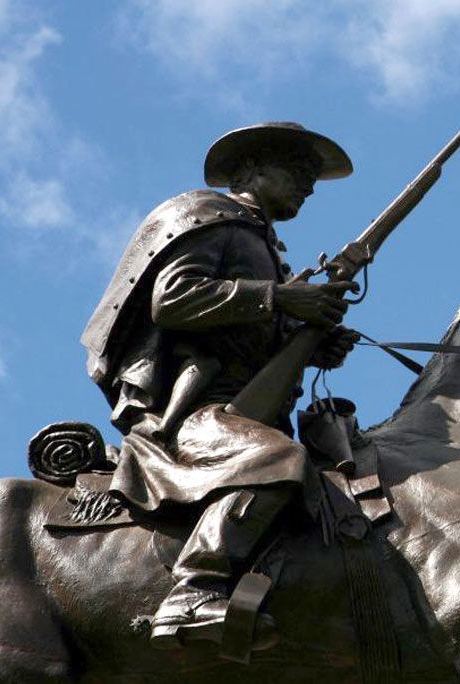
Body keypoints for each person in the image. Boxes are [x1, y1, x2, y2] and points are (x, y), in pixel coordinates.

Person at [80, 122, 360, 651]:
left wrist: (313, 339)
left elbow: (256, 338)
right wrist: (278, 300)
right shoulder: (211, 218)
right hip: (199, 412)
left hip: (244, 410)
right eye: (297, 172)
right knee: (278, 461)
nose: (309, 186)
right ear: (251, 169)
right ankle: (193, 593)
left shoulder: (263, 246)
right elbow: (174, 300)